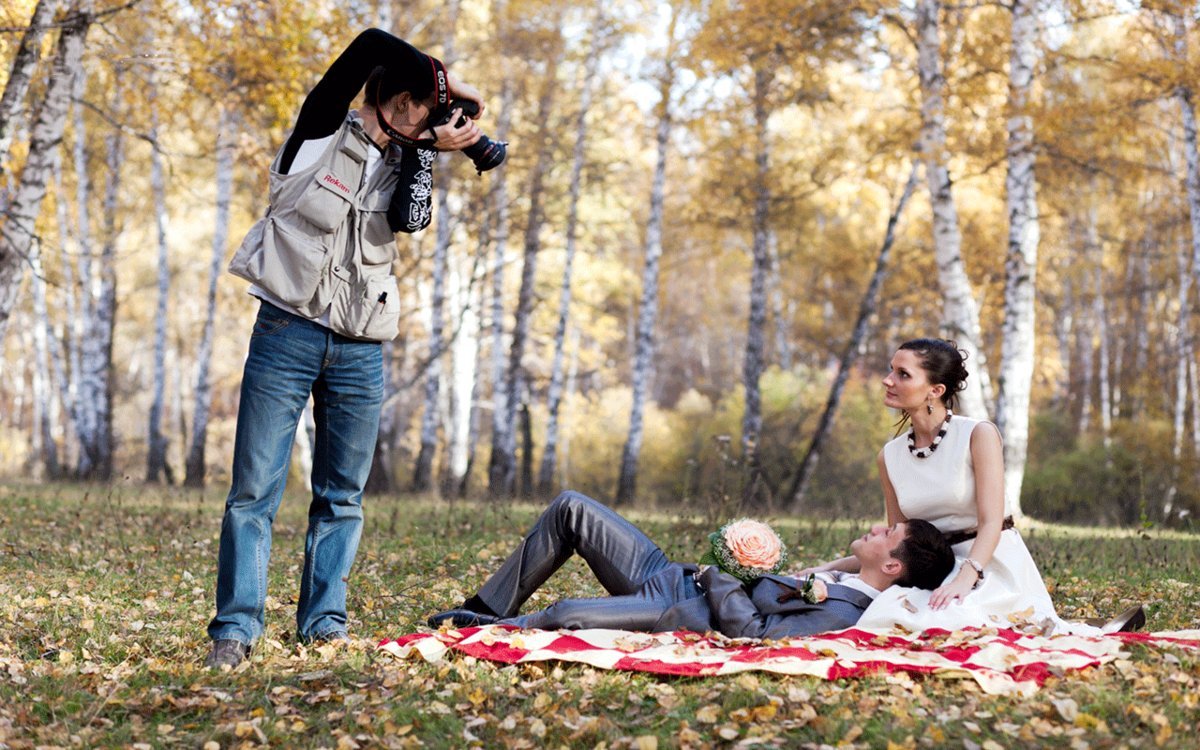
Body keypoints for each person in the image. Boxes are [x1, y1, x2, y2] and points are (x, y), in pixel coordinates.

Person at [205, 29, 488, 669]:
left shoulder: (407, 161)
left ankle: (323, 624)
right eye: (422, 103)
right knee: (254, 491)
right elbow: (366, 45)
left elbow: (412, 221)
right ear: (391, 94)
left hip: (362, 349)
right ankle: (236, 630)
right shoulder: (319, 130)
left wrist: (426, 148)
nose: (430, 118)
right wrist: (446, 79)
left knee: (343, 497)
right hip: (287, 332)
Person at [811, 338, 1141, 635]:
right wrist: (828, 569)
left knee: (959, 622)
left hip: (990, 562)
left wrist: (965, 579)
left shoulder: (977, 435)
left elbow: (991, 521)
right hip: (930, 569)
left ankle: (1080, 631)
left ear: (935, 390)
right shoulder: (890, 456)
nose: (888, 380)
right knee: (891, 620)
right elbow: (895, 541)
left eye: (902, 374)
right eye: (890, 371)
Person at [426, 491, 955, 639]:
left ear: (891, 567)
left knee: (565, 612)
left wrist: (717, 573)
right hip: (669, 571)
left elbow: (752, 630)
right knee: (572, 508)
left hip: (675, 605)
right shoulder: (838, 575)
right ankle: (485, 605)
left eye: (889, 534)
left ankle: (490, 631)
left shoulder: (842, 609)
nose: (878, 528)